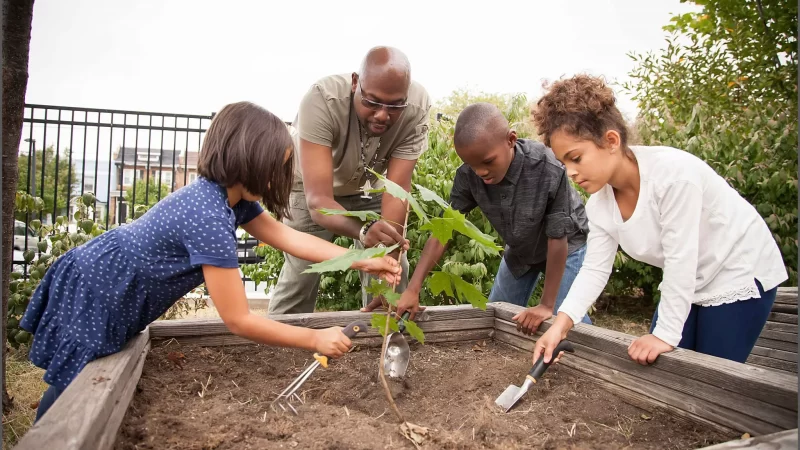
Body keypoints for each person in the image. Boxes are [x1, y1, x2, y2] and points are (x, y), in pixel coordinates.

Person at [21, 101, 402, 421]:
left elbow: (289, 237)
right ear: (248, 159)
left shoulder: (232, 200)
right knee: (73, 395)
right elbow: (238, 319)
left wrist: (364, 260)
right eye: (276, 168)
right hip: (101, 286)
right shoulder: (207, 216)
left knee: (79, 386)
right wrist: (314, 337)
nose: (277, 179)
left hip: (111, 280)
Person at [530, 74, 788, 366]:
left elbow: (681, 258)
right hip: (691, 279)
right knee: (664, 371)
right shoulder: (601, 205)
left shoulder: (673, 177)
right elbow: (594, 270)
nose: (571, 172)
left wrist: (664, 334)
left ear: (611, 140)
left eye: (576, 158)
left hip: (738, 270)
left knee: (708, 379)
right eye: (563, 163)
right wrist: (560, 326)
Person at [397, 103, 592, 335]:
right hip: (520, 249)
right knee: (495, 316)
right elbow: (444, 231)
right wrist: (413, 287)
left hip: (565, 248)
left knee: (567, 320)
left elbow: (558, 236)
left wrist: (547, 305)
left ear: (510, 140)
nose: (480, 172)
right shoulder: (468, 177)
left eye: (488, 162)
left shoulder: (547, 168)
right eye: (472, 164)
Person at [268, 46, 431, 316]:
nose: (382, 114)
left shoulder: (416, 106)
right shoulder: (322, 100)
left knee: (393, 276)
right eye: (373, 102)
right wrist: (364, 231)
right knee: (301, 275)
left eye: (394, 106)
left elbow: (398, 188)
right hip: (311, 189)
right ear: (356, 83)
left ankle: (384, 342)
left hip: (370, 188)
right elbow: (319, 202)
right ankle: (278, 345)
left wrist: (387, 264)